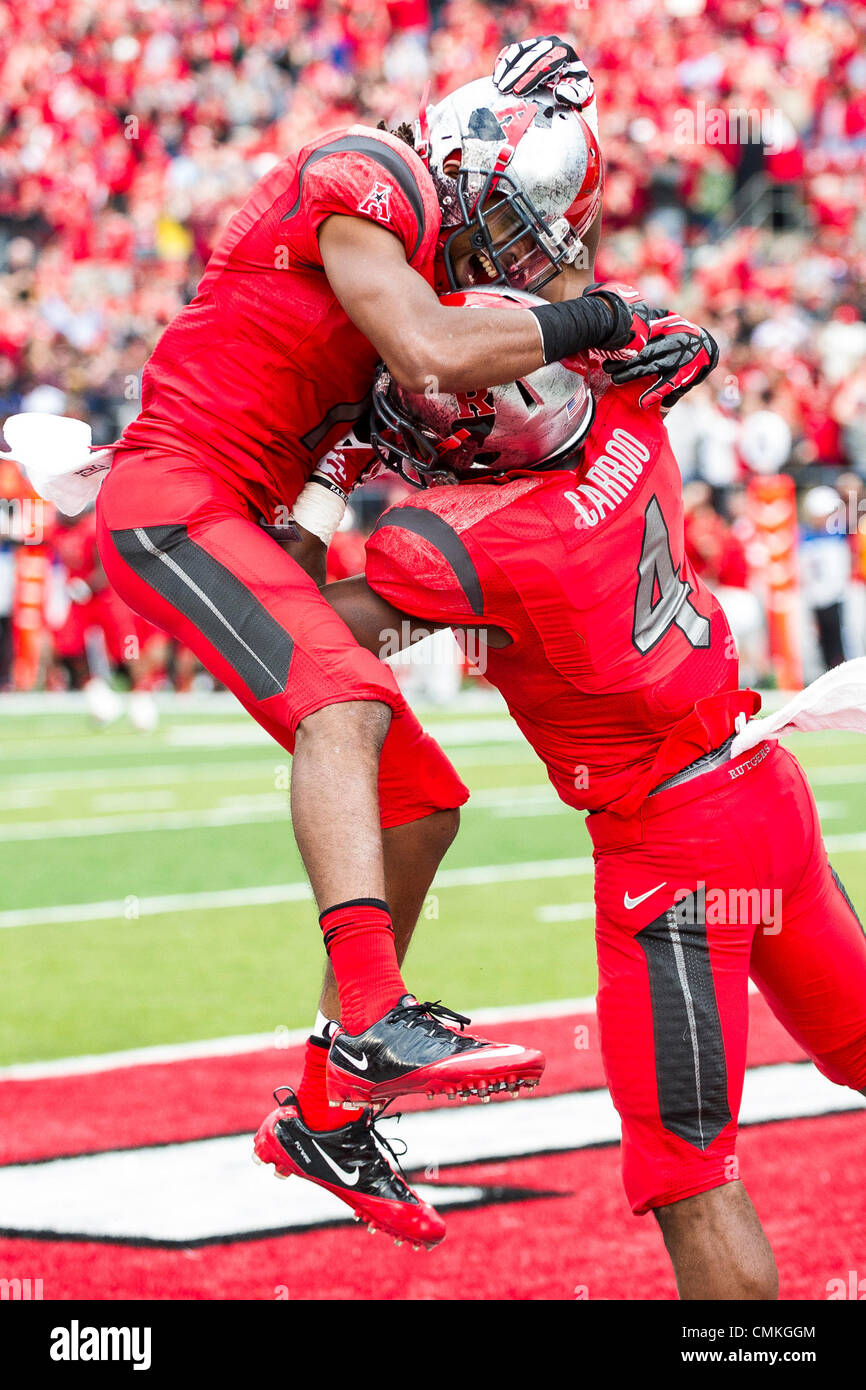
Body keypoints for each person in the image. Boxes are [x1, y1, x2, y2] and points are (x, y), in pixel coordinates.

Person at [92, 42, 646, 1247]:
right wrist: (602, 319)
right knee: (346, 697)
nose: (509, 257)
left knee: (423, 804)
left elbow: (313, 529)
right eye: (507, 222)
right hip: (169, 493)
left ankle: (328, 1109)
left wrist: (621, 369)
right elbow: (438, 351)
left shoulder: (384, 304)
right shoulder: (366, 173)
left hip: (230, 514)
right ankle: (373, 1014)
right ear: (463, 167)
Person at [318, 287, 866, 1298]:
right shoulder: (628, 412)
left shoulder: (478, 547)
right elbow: (635, 331)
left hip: (669, 856)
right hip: (760, 786)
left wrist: (296, 487)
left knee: (690, 1177)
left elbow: (304, 624)